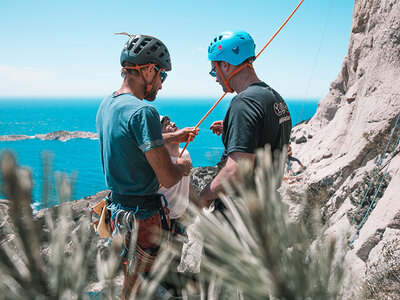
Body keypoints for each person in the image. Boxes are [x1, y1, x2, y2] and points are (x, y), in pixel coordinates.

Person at [96, 34, 198, 299]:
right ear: (149, 70)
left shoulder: (106, 105)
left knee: (133, 283)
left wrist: (174, 137)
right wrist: (183, 168)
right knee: (154, 287)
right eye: (162, 77)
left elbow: (131, 141)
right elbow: (167, 176)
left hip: (119, 212)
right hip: (145, 220)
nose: (161, 86)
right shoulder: (144, 112)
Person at [199, 30, 292, 208]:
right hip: (267, 207)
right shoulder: (274, 97)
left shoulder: (243, 103)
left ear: (225, 65)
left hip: (241, 215)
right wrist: (233, 128)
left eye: (214, 70)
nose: (216, 78)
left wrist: (204, 195)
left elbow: (236, 172)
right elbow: (268, 136)